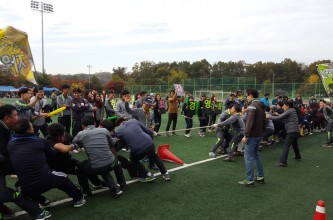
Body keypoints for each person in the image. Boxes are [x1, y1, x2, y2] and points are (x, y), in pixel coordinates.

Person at [7, 118, 86, 208]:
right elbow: (50, 155)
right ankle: (78, 198)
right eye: (31, 126)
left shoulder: (10, 144)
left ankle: (43, 201)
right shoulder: (40, 141)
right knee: (63, 177)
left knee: (20, 187)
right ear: (29, 130)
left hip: (26, 186)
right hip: (46, 178)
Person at [0, 105, 52, 219]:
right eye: (15, 115)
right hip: (3, 164)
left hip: (6, 163)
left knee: (28, 174)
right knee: (6, 193)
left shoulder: (7, 127)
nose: (18, 117)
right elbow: (4, 150)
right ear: (7, 118)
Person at [46, 123, 106, 196]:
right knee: (66, 178)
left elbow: (76, 140)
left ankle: (96, 184)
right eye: (57, 138)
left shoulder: (66, 134)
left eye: (61, 136)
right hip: (54, 167)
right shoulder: (49, 140)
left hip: (66, 161)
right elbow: (65, 149)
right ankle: (82, 191)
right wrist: (76, 145)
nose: (60, 139)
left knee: (83, 166)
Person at [73, 116, 126, 198]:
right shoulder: (104, 130)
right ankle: (120, 187)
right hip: (112, 163)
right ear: (94, 123)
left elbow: (74, 142)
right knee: (113, 161)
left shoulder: (81, 134)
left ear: (82, 125)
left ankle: (86, 191)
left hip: (97, 167)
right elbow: (113, 143)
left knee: (79, 167)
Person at [114, 117, 171, 182]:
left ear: (118, 125)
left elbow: (119, 143)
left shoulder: (117, 131)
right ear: (125, 120)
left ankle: (148, 175)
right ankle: (165, 173)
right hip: (149, 143)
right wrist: (153, 133)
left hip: (137, 149)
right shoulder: (133, 121)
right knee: (155, 156)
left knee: (133, 160)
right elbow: (146, 130)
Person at [239, 89, 266, 186]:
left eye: (247, 95)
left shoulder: (252, 106)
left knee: (248, 157)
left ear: (250, 95)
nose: (246, 97)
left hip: (252, 135)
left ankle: (250, 179)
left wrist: (246, 135)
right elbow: (265, 119)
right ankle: (260, 176)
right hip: (259, 134)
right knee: (256, 155)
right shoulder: (261, 105)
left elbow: (250, 122)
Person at [268, 100, 302, 166]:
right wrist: (278, 114)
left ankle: (283, 162)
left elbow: (279, 118)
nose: (283, 106)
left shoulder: (289, 111)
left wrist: (269, 116)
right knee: (294, 144)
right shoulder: (292, 110)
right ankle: (298, 156)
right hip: (296, 131)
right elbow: (283, 117)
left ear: (287, 106)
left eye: (284, 105)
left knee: (286, 145)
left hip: (292, 131)